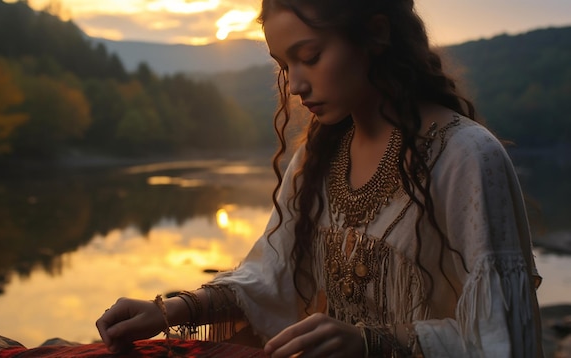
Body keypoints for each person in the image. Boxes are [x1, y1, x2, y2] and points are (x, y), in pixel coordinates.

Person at [96, 0, 544, 356]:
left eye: (309, 57)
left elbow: (502, 340)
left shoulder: (465, 155)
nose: (294, 86)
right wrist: (168, 311)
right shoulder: (319, 154)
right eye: (284, 65)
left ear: (377, 33)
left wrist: (370, 343)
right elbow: (269, 278)